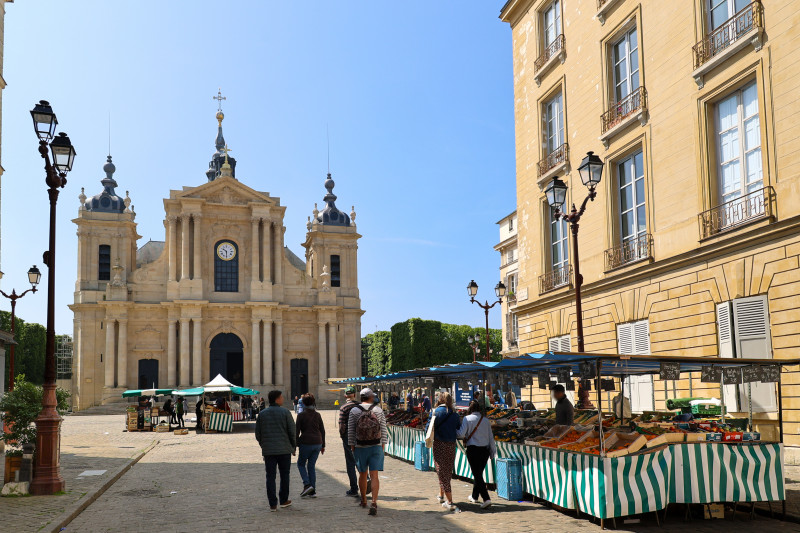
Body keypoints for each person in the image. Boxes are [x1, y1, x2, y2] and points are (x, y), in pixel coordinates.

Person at [348, 388, 388, 516]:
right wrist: (383, 445)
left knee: (363, 474)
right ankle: (374, 502)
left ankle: (364, 500)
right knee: (374, 475)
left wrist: (352, 446)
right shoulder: (378, 410)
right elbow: (383, 429)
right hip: (375, 445)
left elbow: (351, 431)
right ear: (371, 397)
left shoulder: (354, 411)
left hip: (360, 446)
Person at [255, 390, 297, 512]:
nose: (283, 398)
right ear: (277, 399)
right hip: (284, 450)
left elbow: (258, 434)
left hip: (269, 451)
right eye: (281, 397)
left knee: (270, 477)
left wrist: (264, 445)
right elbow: (292, 431)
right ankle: (284, 500)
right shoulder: (285, 412)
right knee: (284, 475)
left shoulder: (262, 414)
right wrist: (293, 447)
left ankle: (272, 504)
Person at [457, 400, 496, 509]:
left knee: (477, 474)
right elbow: (491, 438)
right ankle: (474, 496)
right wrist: (493, 452)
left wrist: (452, 432)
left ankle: (486, 498)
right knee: (478, 473)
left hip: (473, 450)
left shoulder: (467, 419)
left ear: (470, 408)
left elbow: (461, 434)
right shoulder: (486, 421)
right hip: (485, 451)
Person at [430, 392, 461, 512]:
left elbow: (429, 427)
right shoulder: (455, 414)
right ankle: (441, 495)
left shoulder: (435, 412)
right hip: (451, 445)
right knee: (447, 470)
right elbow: (458, 428)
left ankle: (450, 501)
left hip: (439, 443)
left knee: (441, 471)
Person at [296, 393, 325, 498]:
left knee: (300, 464)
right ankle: (312, 491)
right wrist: (323, 445)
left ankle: (307, 484)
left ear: (303, 403)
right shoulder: (318, 415)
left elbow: (296, 431)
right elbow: (322, 430)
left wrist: (294, 446)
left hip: (306, 442)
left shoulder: (301, 415)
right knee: (311, 466)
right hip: (318, 443)